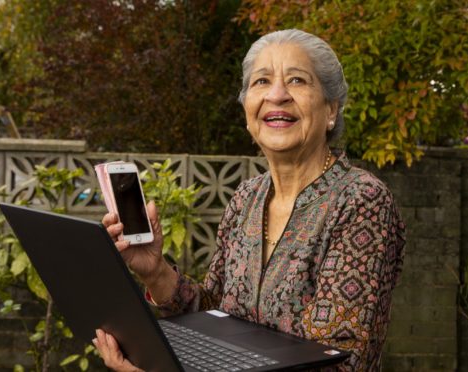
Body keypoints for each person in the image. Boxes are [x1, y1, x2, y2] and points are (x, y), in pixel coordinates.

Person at [93, 29, 406, 372]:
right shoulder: (246, 198)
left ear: (331, 109)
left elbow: (340, 362)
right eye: (261, 82)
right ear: (247, 111)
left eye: (297, 80)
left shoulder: (361, 201)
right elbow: (212, 316)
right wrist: (156, 272)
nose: (277, 95)